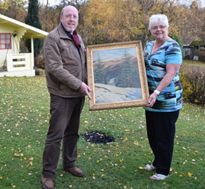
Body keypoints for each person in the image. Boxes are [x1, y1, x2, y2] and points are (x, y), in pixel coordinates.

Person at [41, 5, 91, 189]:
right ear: (61, 18)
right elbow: (55, 68)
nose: (72, 19)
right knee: (56, 135)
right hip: (62, 95)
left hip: (78, 95)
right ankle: (48, 174)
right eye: (68, 16)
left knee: (72, 132)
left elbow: (84, 65)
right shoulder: (53, 38)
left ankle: (69, 164)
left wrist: (92, 82)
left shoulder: (77, 38)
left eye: (75, 16)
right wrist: (79, 84)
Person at [143, 14, 183, 181]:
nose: (158, 30)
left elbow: (171, 72)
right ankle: (157, 161)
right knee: (152, 134)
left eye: (162, 27)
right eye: (155, 27)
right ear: (150, 30)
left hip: (166, 100)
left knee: (164, 135)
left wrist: (156, 92)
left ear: (167, 28)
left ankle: (163, 170)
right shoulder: (149, 45)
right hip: (149, 99)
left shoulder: (173, 47)